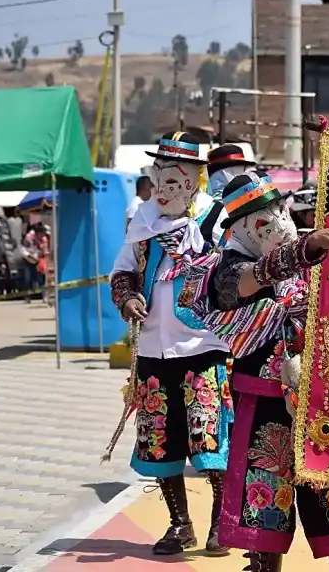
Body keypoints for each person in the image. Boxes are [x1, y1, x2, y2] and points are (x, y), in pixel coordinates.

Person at [197, 171, 329, 571]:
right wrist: (303, 248)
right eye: (263, 219)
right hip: (263, 404)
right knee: (266, 511)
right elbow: (245, 283)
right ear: (240, 230)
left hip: (318, 400)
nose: (278, 221)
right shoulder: (228, 268)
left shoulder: (310, 258)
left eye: (280, 209)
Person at [109, 131, 233, 556]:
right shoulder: (141, 220)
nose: (164, 187)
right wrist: (128, 298)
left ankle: (220, 524)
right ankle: (180, 524)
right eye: (159, 175)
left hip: (203, 344)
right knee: (159, 439)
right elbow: (121, 271)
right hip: (153, 350)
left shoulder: (215, 220)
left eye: (175, 177)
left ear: (195, 178)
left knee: (208, 438)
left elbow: (233, 272)